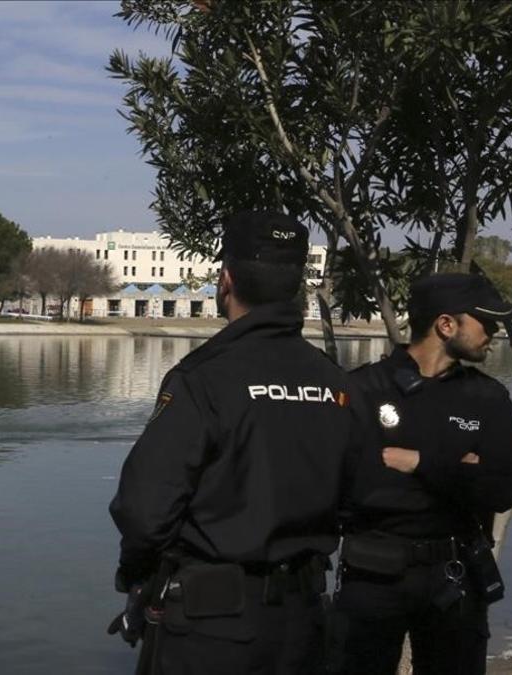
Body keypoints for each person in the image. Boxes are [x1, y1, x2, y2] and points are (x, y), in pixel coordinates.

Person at [108, 211, 364, 675]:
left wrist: (137, 573)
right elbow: (358, 497)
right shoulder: (336, 382)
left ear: (226, 281)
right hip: (303, 623)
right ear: (297, 286)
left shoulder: (203, 378)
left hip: (213, 628)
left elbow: (145, 511)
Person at [334, 273, 512, 675]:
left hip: (454, 577)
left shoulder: (487, 398)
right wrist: (461, 470)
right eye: (485, 322)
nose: (493, 332)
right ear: (445, 325)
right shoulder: (363, 389)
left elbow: (503, 488)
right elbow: (350, 486)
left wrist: (420, 463)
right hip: (372, 576)